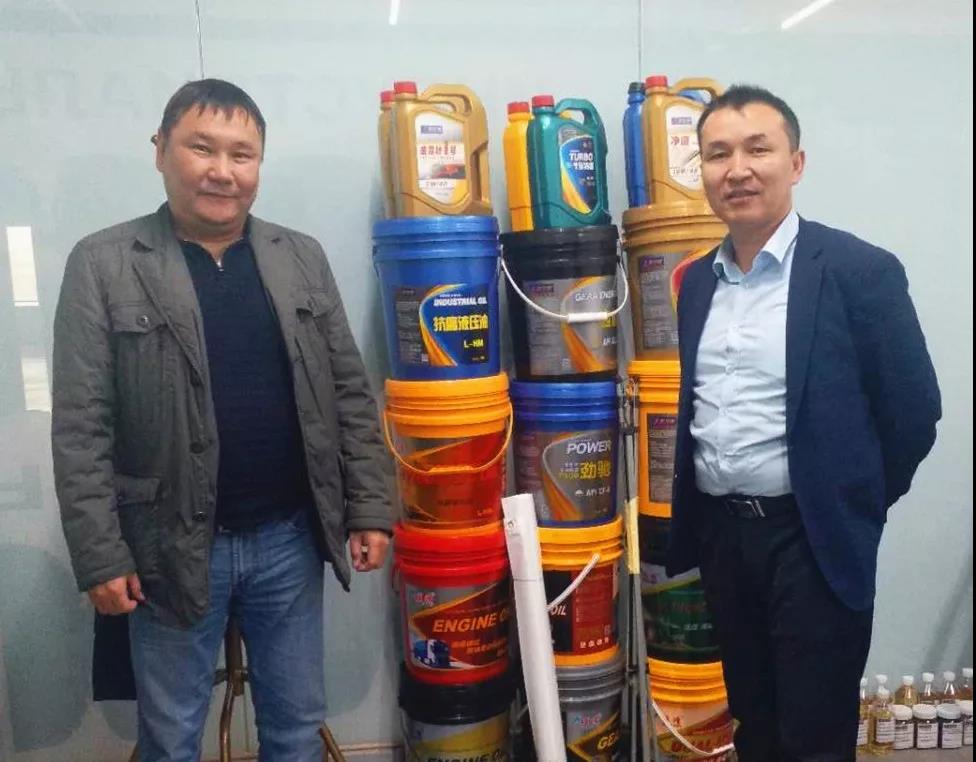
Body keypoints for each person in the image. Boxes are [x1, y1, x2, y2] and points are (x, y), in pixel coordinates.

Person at [51, 78, 392, 762]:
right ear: (160, 150)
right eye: (201, 148)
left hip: (289, 540)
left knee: (295, 728)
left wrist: (371, 508)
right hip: (170, 547)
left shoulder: (299, 257)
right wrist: (101, 555)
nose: (222, 171)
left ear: (258, 165)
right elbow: (81, 426)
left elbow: (349, 394)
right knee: (171, 736)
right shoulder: (104, 263)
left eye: (242, 154)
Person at [667, 84, 941, 761]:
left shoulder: (858, 271)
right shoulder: (696, 282)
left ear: (795, 163)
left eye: (757, 149)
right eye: (718, 154)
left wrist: (851, 501)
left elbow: (913, 413)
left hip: (812, 541)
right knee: (754, 723)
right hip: (725, 539)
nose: (737, 169)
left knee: (813, 735)